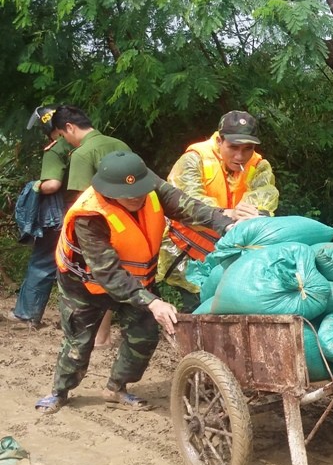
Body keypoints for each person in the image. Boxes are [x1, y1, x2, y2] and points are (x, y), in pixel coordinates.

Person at [34, 150, 235, 414]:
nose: (137, 197)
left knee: (144, 335)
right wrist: (152, 302)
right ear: (108, 191)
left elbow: (187, 206)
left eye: (140, 191)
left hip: (138, 281)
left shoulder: (146, 183)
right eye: (128, 195)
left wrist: (225, 224)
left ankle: (117, 387)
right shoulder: (89, 215)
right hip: (85, 285)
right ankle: (60, 391)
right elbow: (108, 274)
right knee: (79, 343)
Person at [157, 110, 278, 312]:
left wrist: (254, 214)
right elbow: (185, 202)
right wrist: (227, 213)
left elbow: (265, 198)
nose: (240, 156)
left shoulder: (259, 166)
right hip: (189, 253)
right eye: (233, 147)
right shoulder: (194, 159)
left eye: (248, 149)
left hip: (230, 253)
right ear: (220, 140)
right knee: (198, 309)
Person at [51, 105, 128, 348]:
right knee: (119, 274)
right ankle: (108, 333)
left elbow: (80, 203)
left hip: (98, 227)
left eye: (63, 136)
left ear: (70, 128)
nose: (66, 141)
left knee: (95, 278)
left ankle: (100, 335)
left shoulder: (83, 154)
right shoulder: (120, 145)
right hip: (129, 224)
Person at [7, 106, 74, 328]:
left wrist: (34, 186)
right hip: (90, 213)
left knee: (43, 262)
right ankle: (75, 320)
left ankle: (26, 315)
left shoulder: (57, 148)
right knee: (79, 266)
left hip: (61, 214)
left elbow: (53, 185)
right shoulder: (87, 144)